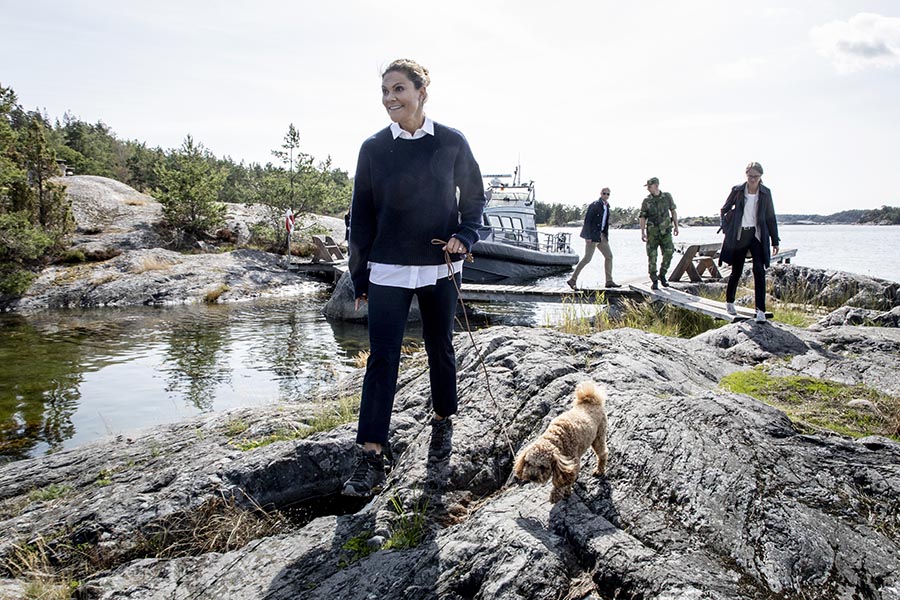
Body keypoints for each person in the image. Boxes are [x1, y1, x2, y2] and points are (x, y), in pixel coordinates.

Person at [342, 59, 486, 497]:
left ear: (423, 91)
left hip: (439, 266)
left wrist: (465, 234)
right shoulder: (372, 148)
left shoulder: (451, 142)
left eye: (399, 89)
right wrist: (359, 275)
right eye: (385, 90)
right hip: (386, 268)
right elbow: (360, 217)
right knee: (381, 360)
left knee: (439, 346)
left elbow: (476, 200)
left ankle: (443, 422)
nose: (390, 98)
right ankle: (370, 455)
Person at [719, 162, 780, 323]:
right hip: (740, 234)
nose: (753, 179)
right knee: (736, 270)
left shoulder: (766, 193)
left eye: (756, 176)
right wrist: (727, 228)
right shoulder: (737, 190)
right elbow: (723, 210)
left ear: (761, 176)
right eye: (750, 176)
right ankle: (729, 302)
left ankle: (760, 310)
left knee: (759, 271)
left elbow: (771, 218)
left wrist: (775, 240)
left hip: (757, 235)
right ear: (746, 175)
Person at [567, 187, 619, 289]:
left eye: (608, 194)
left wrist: (606, 236)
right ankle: (572, 280)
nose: (606, 195)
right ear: (600, 193)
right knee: (587, 258)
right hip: (592, 236)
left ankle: (609, 281)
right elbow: (588, 221)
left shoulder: (607, 206)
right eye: (604, 193)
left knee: (609, 256)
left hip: (602, 236)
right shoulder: (595, 205)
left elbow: (605, 223)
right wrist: (588, 236)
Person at [639, 177, 679, 290]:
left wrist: (676, 226)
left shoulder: (667, 197)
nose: (648, 189)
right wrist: (642, 232)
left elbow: (673, 211)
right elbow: (642, 217)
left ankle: (662, 274)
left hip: (666, 232)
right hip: (652, 234)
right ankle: (654, 279)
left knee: (669, 253)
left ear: (656, 185)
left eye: (649, 187)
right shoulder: (647, 201)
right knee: (652, 257)